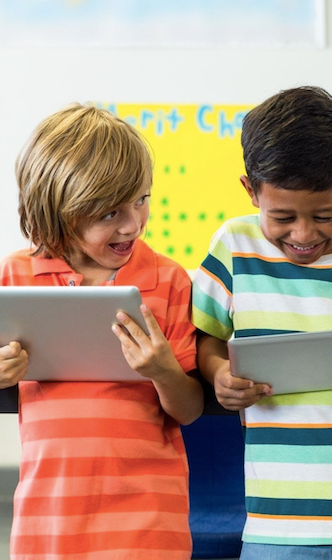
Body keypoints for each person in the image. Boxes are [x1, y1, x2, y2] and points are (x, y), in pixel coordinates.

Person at [191, 86, 332, 559]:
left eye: (324, 216)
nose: (302, 235)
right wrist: (218, 375)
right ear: (250, 190)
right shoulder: (234, 247)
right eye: (282, 217)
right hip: (277, 519)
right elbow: (207, 341)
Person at [0, 104, 203, 559]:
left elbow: (189, 410)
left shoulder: (170, 281)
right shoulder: (14, 277)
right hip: (48, 519)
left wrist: (163, 371)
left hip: (150, 522)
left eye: (142, 199)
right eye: (110, 212)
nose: (133, 223)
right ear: (57, 210)